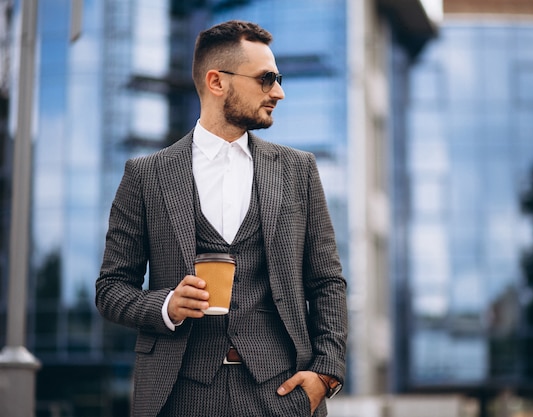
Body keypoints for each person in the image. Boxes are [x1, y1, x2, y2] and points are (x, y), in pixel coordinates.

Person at [95, 20, 348, 417]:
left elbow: (327, 281)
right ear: (217, 82)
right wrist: (166, 305)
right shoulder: (146, 175)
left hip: (280, 393)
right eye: (267, 79)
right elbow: (111, 288)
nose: (278, 92)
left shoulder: (299, 170)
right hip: (178, 394)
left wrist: (325, 374)